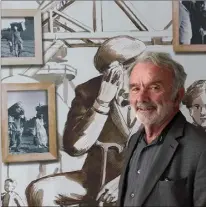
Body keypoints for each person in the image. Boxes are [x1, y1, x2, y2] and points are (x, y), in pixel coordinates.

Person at [25, 35, 146, 206]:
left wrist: (127, 180)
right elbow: (75, 147)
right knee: (40, 191)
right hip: (94, 178)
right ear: (111, 72)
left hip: (141, 177)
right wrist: (102, 103)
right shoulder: (88, 91)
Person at [117, 51, 206, 207]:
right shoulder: (134, 141)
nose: (141, 98)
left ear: (177, 96)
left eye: (154, 87)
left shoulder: (200, 148)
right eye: (135, 88)